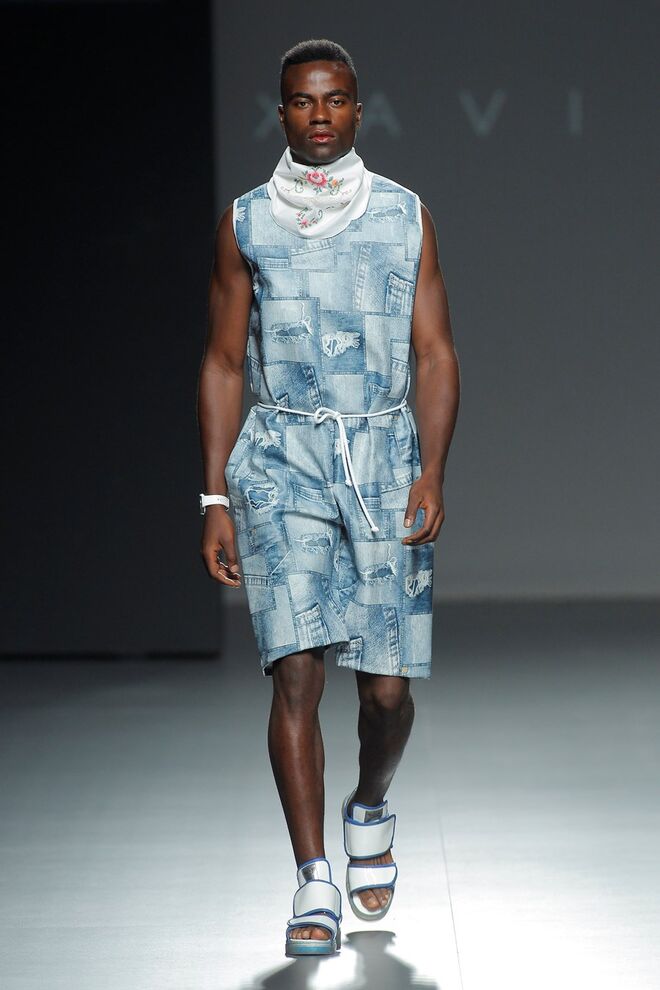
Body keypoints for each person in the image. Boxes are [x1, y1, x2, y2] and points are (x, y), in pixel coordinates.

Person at [197, 38, 460, 957]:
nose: (320, 115)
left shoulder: (404, 215)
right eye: (304, 101)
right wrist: (214, 496)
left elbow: (435, 352)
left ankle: (371, 804)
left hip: (383, 459)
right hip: (280, 460)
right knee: (297, 670)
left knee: (385, 692)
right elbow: (223, 362)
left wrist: (432, 469)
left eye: (336, 99)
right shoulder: (245, 223)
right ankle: (313, 877)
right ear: (281, 113)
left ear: (358, 108)